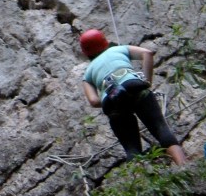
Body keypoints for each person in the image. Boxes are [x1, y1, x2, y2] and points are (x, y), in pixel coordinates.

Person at [80, 28, 186, 166]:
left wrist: (113, 96)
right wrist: (147, 81)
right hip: (133, 86)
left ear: (86, 53)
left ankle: (139, 176)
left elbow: (93, 101)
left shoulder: (87, 73)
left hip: (112, 103)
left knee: (132, 149)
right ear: (105, 42)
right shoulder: (119, 49)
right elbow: (147, 53)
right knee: (160, 128)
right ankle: (183, 165)